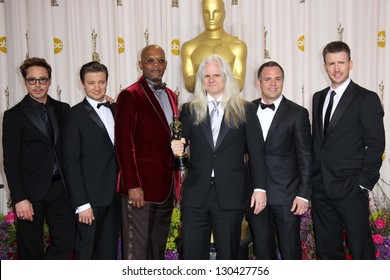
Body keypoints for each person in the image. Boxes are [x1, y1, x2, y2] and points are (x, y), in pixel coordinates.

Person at [171, 54, 267, 260]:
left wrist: (259, 189)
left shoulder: (245, 109)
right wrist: (176, 145)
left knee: (228, 256)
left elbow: (257, 153)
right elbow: (181, 141)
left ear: (226, 78)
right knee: (192, 256)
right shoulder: (190, 109)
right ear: (201, 80)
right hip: (196, 194)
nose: (211, 80)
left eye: (216, 75)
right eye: (207, 76)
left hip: (230, 194)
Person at [311, 41, 385, 259]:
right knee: (327, 249)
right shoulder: (318, 97)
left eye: (341, 62)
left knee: (360, 248)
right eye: (331, 63)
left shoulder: (366, 98)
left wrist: (363, 183)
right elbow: (319, 142)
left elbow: (376, 143)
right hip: (321, 187)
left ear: (350, 63)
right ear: (324, 66)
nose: (336, 68)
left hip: (351, 186)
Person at [2, 57, 76, 259]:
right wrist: (19, 198)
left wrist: (108, 104)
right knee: (30, 249)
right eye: (32, 80)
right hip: (29, 193)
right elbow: (10, 161)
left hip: (60, 189)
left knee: (67, 240)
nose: (37, 85)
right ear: (25, 81)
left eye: (42, 80)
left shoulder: (64, 109)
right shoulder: (13, 116)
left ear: (50, 81)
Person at [115, 44, 179, 260]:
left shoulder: (172, 95)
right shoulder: (130, 95)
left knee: (156, 249)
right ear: (140, 64)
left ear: (166, 65)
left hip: (166, 187)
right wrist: (132, 184)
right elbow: (124, 144)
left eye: (160, 60)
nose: (156, 65)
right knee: (137, 251)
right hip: (139, 189)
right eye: (150, 60)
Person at [246, 61, 312, 260]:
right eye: (267, 79)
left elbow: (306, 156)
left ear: (283, 81)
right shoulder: (247, 110)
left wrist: (303, 194)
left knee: (291, 252)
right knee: (262, 253)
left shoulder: (297, 113)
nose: (273, 83)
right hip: (255, 196)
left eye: (278, 79)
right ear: (259, 82)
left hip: (287, 197)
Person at [62, 61, 120, 259]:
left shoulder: (115, 109)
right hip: (90, 201)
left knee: (109, 251)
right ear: (82, 84)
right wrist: (82, 204)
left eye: (101, 82)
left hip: (115, 196)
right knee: (87, 252)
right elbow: (71, 163)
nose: (97, 87)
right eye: (91, 83)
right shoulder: (74, 115)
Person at [181, 0, 247, 93]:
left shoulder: (238, 46)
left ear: (224, 14)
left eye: (216, 12)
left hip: (229, 105)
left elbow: (239, 84)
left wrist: (207, 77)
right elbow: (189, 85)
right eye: (206, 12)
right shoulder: (189, 47)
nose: (211, 17)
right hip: (199, 105)